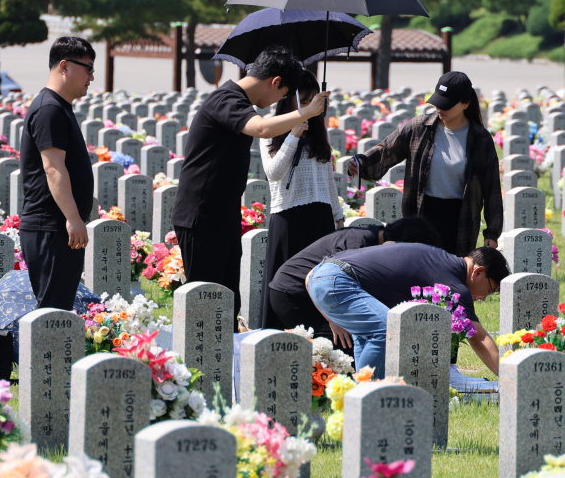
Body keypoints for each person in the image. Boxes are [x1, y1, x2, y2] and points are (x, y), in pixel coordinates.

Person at [171, 47, 330, 321]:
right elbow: (262, 129)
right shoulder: (226, 98)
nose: (276, 101)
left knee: (227, 305)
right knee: (206, 306)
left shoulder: (240, 102)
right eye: (281, 95)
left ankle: (219, 361)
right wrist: (307, 112)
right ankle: (199, 364)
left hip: (223, 215)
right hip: (201, 216)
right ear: (275, 82)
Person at [348, 71, 501, 256]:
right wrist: (362, 161)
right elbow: (387, 149)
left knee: (451, 273)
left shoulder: (480, 139)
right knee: (416, 268)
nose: (440, 108)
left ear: (465, 104)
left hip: (459, 219)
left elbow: (491, 186)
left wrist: (492, 231)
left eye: (447, 104)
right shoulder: (419, 127)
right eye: (438, 101)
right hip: (420, 212)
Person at [307, 244, 509, 377]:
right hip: (337, 281)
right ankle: (366, 401)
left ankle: (363, 402)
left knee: (367, 335)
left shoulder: (440, 259)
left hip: (323, 276)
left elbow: (310, 276)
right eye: (489, 291)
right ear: (478, 272)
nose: (483, 298)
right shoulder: (455, 285)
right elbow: (478, 338)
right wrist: (511, 381)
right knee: (387, 330)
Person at [258, 70, 344, 327]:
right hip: (288, 217)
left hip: (319, 220)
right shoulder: (272, 132)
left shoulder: (319, 136)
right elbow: (274, 173)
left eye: (312, 102)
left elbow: (328, 181)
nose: (309, 108)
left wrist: (338, 217)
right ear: (289, 101)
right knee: (283, 283)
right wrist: (293, 134)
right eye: (303, 102)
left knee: (318, 286)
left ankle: (321, 349)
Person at [267, 216, 443, 339]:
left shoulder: (378, 240)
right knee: (346, 342)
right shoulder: (356, 243)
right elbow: (315, 278)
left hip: (318, 295)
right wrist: (334, 320)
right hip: (294, 295)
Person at [20, 35, 97, 311]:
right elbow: (53, 168)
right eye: (88, 68)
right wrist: (73, 218)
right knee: (52, 316)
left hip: (56, 228)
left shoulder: (59, 107)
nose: (91, 77)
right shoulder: (49, 109)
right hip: (51, 228)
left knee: (57, 312)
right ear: (64, 66)